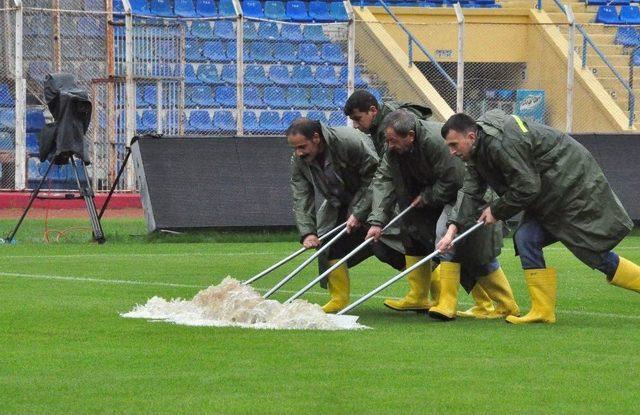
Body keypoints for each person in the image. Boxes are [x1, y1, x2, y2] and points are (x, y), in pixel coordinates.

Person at [438, 109, 638, 324]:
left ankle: (543, 311)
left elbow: (527, 186)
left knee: (593, 253)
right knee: (526, 238)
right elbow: (470, 190)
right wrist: (451, 230)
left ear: (471, 137)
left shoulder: (501, 143)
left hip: (568, 188)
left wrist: (496, 211)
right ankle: (543, 311)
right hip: (547, 193)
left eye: (453, 145)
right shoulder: (477, 150)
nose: (451, 152)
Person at [366, 110, 519, 321]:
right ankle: (437, 300)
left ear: (410, 136)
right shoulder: (395, 148)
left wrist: (428, 196)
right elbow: (384, 178)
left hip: (466, 195)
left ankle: (493, 304)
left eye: (393, 141)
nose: (389, 145)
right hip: (441, 197)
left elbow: (456, 181)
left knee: (471, 248)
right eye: (387, 140)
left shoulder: (437, 142)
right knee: (427, 238)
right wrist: (377, 220)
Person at [287, 117, 406, 313]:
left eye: (302, 146)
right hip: (338, 204)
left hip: (373, 199)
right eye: (294, 148)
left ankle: (423, 291)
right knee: (329, 244)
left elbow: (378, 178)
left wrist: (359, 212)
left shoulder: (348, 141)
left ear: (316, 138)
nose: (298, 153)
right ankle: (338, 299)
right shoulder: (298, 160)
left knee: (387, 247)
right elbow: (301, 196)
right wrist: (308, 232)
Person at [343, 90, 441, 312]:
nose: (356, 126)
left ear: (373, 111)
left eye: (358, 119)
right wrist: (370, 216)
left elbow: (387, 175)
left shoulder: (393, 125)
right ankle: (420, 296)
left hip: (430, 191)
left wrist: (369, 215)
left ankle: (447, 298)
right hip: (414, 192)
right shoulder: (381, 128)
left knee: (444, 244)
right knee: (407, 240)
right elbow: (385, 175)